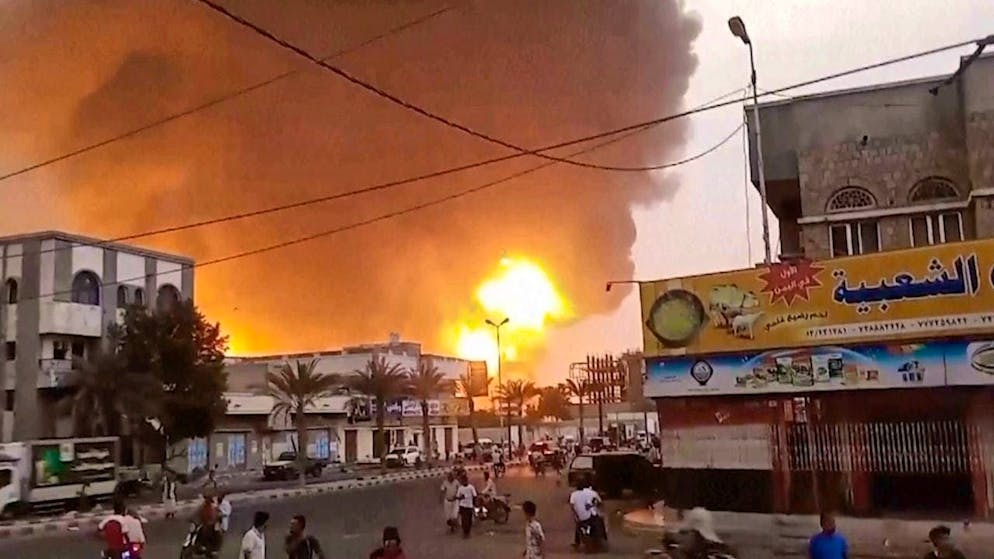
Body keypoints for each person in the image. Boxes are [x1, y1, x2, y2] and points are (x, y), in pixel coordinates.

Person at [569, 475, 602, 549]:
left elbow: (572, 506)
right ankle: (601, 539)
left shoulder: (573, 495)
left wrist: (576, 515)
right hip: (591, 516)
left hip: (580, 518)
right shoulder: (591, 492)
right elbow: (599, 502)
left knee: (578, 526)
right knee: (599, 522)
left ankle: (577, 542)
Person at [455, 473, 478, 538]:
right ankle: (465, 532)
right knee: (464, 520)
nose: (464, 481)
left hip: (469, 506)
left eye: (465, 480)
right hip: (462, 506)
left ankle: (468, 531)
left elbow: (474, 496)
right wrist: (461, 497)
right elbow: (457, 497)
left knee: (469, 520)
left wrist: (474, 504)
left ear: (467, 480)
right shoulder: (460, 488)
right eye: (463, 480)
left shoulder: (471, 487)